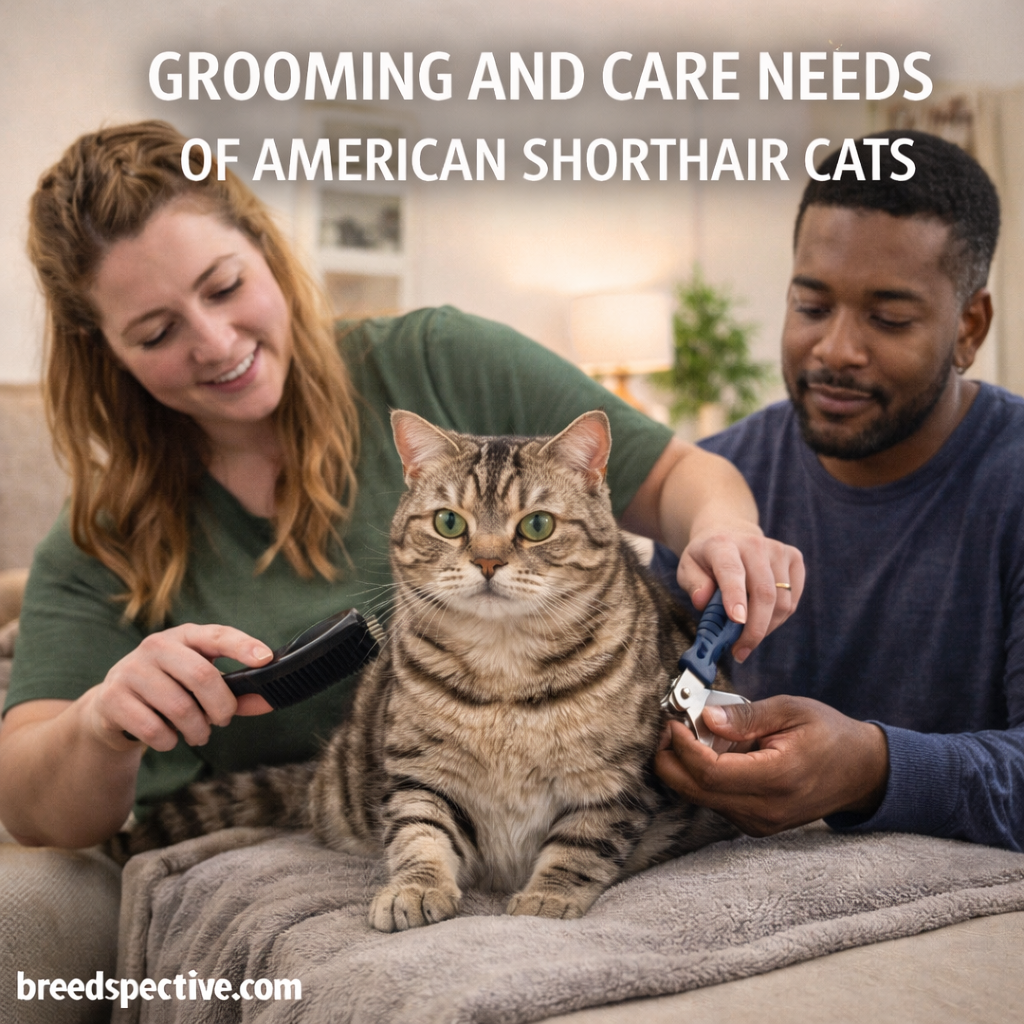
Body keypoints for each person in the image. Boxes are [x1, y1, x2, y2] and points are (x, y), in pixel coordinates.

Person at [0, 120, 803, 851]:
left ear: (266, 251)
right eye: (157, 331)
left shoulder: (436, 361)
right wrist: (102, 724)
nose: (216, 343)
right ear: (103, 349)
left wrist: (724, 531)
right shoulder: (101, 532)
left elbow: (682, 477)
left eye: (223, 286)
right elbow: (32, 808)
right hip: (324, 835)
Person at [653, 130, 1024, 852]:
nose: (835, 351)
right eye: (812, 307)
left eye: (888, 318)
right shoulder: (710, 488)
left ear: (968, 328)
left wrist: (874, 771)